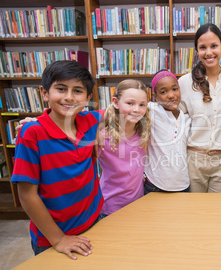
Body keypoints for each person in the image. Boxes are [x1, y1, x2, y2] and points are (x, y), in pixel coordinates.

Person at [10, 60, 104, 260]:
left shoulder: (92, 121)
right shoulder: (32, 133)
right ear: (45, 93)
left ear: (88, 98)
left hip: (95, 222)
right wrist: (59, 239)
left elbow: (126, 109)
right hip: (53, 237)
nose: (69, 97)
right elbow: (27, 196)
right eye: (61, 89)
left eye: (77, 91)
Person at [178, 23, 221, 193]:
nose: (209, 52)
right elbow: (174, 120)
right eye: (202, 47)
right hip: (193, 159)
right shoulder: (184, 83)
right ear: (196, 50)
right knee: (193, 212)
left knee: (218, 214)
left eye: (214, 46)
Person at [97, 79, 151, 216]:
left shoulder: (143, 134)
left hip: (137, 204)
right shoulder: (102, 137)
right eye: (130, 103)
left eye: (142, 105)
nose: (136, 110)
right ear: (115, 102)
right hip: (109, 207)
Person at [144, 70, 191, 194]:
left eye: (175, 89)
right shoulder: (151, 110)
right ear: (155, 96)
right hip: (155, 184)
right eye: (163, 92)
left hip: (182, 184)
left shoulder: (186, 118)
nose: (171, 95)